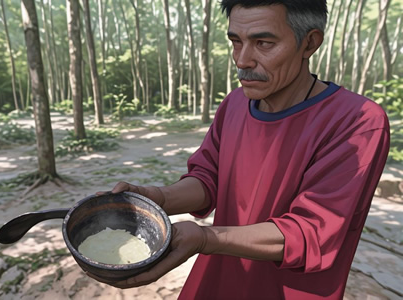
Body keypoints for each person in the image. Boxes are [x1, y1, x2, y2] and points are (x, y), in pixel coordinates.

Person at [95, 1, 390, 298]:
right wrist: (156, 199)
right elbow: (209, 179)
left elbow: (310, 233)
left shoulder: (357, 121)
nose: (243, 60)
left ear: (309, 43)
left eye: (263, 43)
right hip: (216, 279)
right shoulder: (235, 103)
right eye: (236, 42)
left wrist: (205, 238)